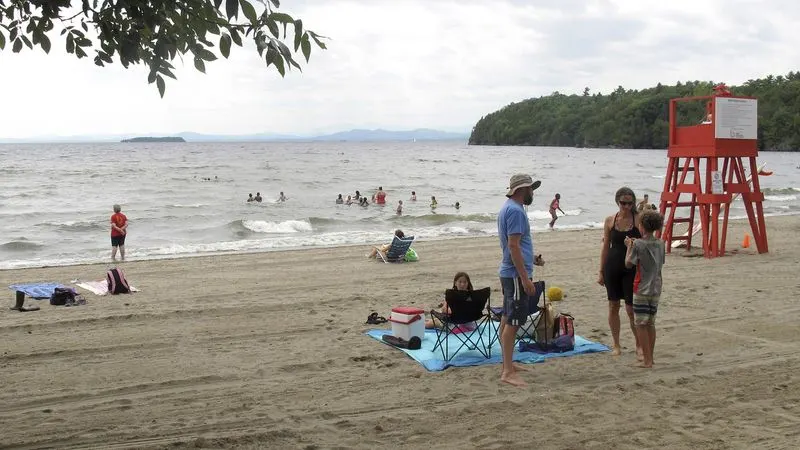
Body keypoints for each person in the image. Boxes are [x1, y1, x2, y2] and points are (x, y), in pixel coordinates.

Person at [497, 173, 544, 387]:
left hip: (511, 271)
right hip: (515, 274)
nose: (532, 192)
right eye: (530, 189)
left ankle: (508, 363)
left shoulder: (509, 208)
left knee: (508, 317)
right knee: (514, 321)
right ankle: (507, 371)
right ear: (521, 190)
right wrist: (525, 278)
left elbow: (514, 245)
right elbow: (513, 245)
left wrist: (532, 259)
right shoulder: (515, 211)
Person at [598, 187, 642, 357]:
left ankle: (639, 344)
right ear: (618, 202)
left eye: (630, 203)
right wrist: (601, 271)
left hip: (631, 268)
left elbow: (648, 243)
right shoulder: (610, 220)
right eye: (623, 203)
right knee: (613, 305)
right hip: (612, 266)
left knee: (631, 309)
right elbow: (605, 247)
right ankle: (616, 344)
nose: (627, 206)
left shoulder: (638, 219)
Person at [625, 209, 665, 368]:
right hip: (656, 286)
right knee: (650, 323)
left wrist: (629, 246)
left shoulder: (639, 244)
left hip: (642, 287)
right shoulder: (661, 243)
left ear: (641, 226)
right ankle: (651, 357)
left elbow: (628, 263)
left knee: (640, 324)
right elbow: (660, 263)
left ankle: (647, 360)